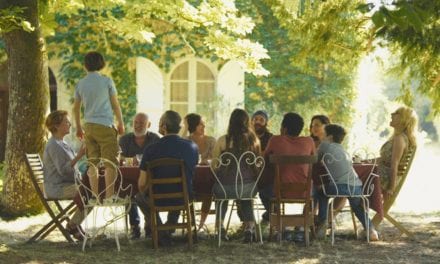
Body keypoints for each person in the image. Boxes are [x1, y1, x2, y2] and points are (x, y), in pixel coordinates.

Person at [135, 110, 198, 246]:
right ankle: (168, 230)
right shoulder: (192, 147)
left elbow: (141, 184)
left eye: (159, 123)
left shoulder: (150, 149)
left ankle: (162, 233)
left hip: (158, 198)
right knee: (181, 189)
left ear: (163, 126)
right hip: (183, 197)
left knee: (139, 197)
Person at [73, 51, 125, 202]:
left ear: (85, 65)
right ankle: (109, 197)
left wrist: (78, 127)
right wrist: (120, 123)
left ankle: (94, 197)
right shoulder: (107, 81)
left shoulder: (81, 83)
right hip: (105, 125)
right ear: (101, 64)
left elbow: (76, 108)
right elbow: (115, 105)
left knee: (92, 162)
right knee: (110, 162)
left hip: (88, 126)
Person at [315, 124, 379, 241]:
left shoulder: (325, 145)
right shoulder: (343, 150)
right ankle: (371, 230)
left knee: (321, 192)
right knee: (357, 207)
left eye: (324, 134)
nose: (322, 137)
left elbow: (315, 160)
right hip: (356, 186)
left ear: (329, 137)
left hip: (339, 187)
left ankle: (322, 224)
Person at [261, 112, 315, 236]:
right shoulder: (309, 141)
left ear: (284, 128)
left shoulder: (275, 140)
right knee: (317, 191)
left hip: (279, 191)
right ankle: (301, 227)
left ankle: (280, 226)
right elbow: (314, 160)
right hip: (305, 192)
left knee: (263, 191)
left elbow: (264, 159)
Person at [212, 108, 261, 243]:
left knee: (220, 196)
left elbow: (214, 164)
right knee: (246, 198)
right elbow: (258, 164)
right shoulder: (254, 141)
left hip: (225, 187)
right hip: (248, 187)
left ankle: (220, 228)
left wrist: (223, 174)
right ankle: (249, 228)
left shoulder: (223, 140)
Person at [43, 110, 87, 240]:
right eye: (66, 122)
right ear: (56, 126)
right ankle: (73, 226)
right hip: (58, 188)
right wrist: (79, 155)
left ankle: (74, 225)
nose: (70, 125)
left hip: (67, 184)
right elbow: (63, 170)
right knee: (90, 193)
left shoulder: (63, 143)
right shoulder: (54, 145)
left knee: (91, 191)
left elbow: (73, 168)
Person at [119, 112, 160, 239]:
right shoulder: (124, 139)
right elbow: (119, 157)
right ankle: (134, 226)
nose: (137, 125)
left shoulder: (155, 139)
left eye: (141, 123)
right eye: (135, 122)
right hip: (130, 177)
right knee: (129, 190)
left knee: (149, 191)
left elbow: (160, 157)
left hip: (150, 178)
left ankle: (149, 225)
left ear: (148, 124)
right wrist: (131, 159)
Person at [183, 113, 216, 230]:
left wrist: (208, 161)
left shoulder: (211, 140)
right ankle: (192, 224)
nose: (203, 126)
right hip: (189, 179)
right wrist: (185, 128)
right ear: (193, 126)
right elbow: (179, 147)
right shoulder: (186, 141)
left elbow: (216, 160)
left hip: (207, 178)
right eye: (200, 124)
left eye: (203, 124)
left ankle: (201, 224)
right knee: (187, 190)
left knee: (209, 189)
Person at [378, 106, 417, 202]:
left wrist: (391, 188)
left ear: (404, 119)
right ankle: (335, 210)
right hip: (379, 175)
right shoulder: (398, 137)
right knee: (349, 176)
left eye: (396, 113)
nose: (392, 114)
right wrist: (363, 161)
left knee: (348, 180)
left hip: (383, 179)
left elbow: (394, 163)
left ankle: (335, 209)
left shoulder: (400, 138)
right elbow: (383, 159)